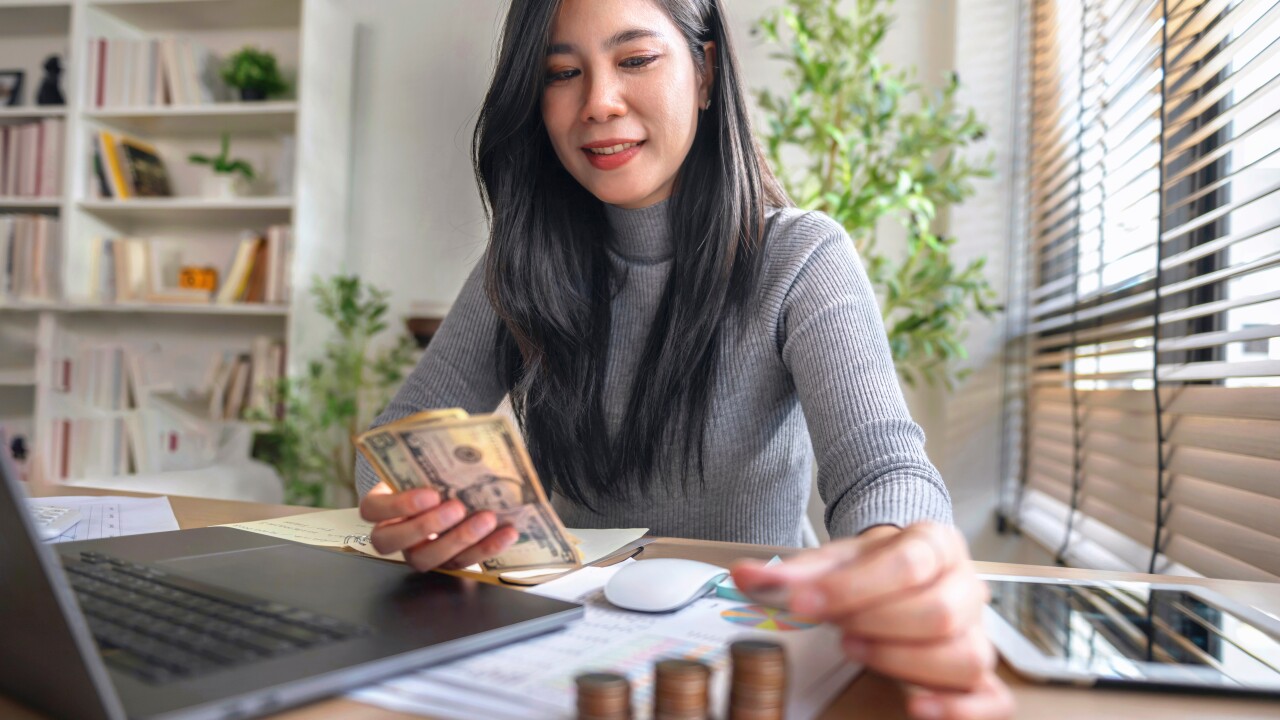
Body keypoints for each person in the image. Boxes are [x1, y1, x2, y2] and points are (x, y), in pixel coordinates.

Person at [356, 1, 1012, 717]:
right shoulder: (517, 270)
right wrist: (414, 503)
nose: (599, 102)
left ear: (703, 72)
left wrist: (897, 558)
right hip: (576, 652)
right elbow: (397, 434)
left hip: (749, 645)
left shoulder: (800, 257)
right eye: (562, 74)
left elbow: (884, 470)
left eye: (635, 60)